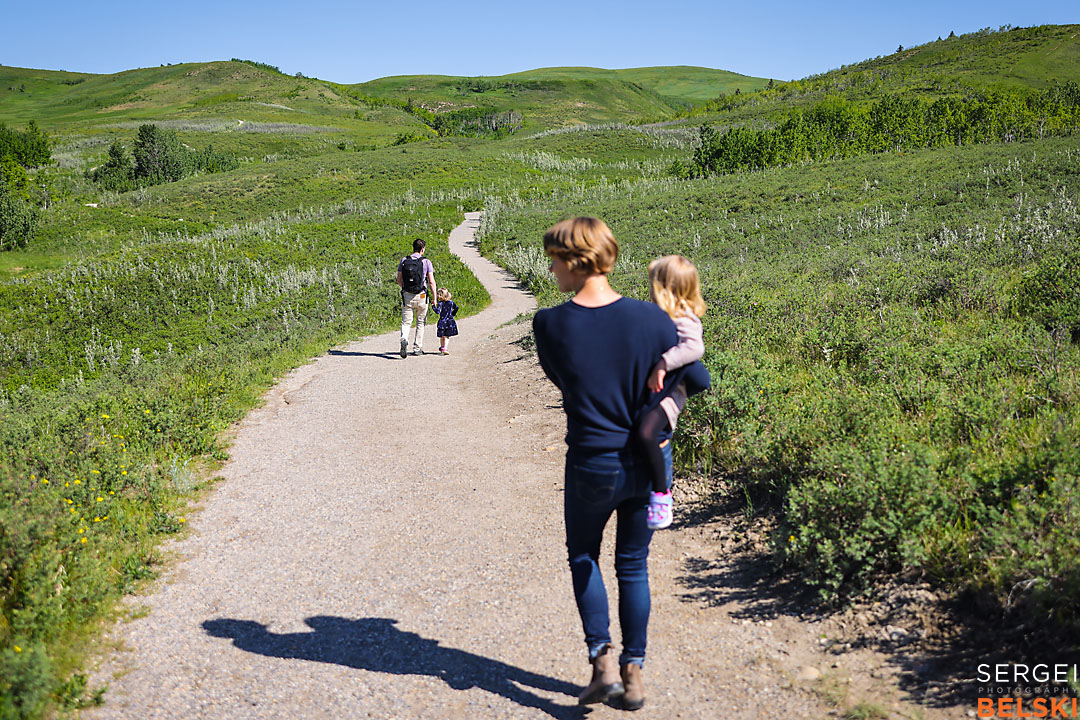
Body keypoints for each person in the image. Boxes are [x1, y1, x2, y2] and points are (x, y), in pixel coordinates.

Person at [532, 217, 709, 711]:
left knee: (583, 556)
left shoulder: (549, 324)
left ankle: (602, 662)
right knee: (633, 565)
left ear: (574, 261)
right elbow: (698, 375)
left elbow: (562, 380)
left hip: (592, 460)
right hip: (649, 463)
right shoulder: (655, 320)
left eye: (553, 260)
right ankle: (634, 672)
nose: (551, 269)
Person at [637, 255, 707, 531]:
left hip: (670, 396)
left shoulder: (684, 317)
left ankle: (661, 494)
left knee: (647, 433)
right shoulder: (662, 315)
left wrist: (663, 364)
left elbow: (695, 348)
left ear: (666, 288)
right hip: (658, 392)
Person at [397, 238, 437, 357]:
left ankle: (404, 338)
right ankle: (417, 347)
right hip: (422, 295)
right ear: (422, 249)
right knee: (420, 322)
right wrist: (434, 298)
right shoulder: (426, 262)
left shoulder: (404, 260)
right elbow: (431, 282)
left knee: (406, 322)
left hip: (407, 295)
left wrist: (405, 289)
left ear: (413, 247)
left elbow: (399, 280)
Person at [433, 288, 459, 355]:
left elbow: (438, 311)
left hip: (442, 321)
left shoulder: (440, 303)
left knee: (442, 336)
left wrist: (433, 306)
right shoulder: (451, 302)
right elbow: (456, 308)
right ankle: (445, 347)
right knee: (447, 336)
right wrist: (453, 314)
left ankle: (442, 347)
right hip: (450, 321)